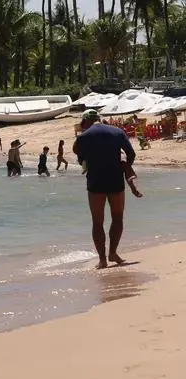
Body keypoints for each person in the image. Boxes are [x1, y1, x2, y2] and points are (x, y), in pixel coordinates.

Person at [74, 109, 137, 269]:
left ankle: (102, 260)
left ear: (86, 121)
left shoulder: (83, 137)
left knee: (97, 222)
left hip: (95, 182)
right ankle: (113, 253)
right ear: (99, 119)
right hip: (115, 180)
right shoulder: (117, 132)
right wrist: (126, 166)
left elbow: (81, 159)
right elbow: (131, 154)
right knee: (117, 218)